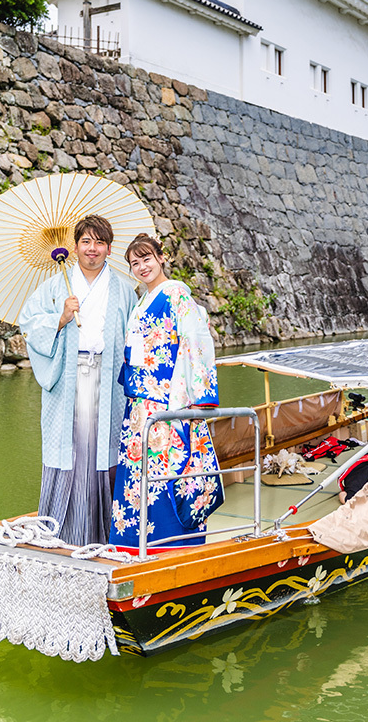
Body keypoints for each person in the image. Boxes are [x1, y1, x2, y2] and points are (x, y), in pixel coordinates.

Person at [19, 214, 136, 547]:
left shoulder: (124, 291)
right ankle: (62, 531)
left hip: (108, 379)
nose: (92, 249)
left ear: (109, 249)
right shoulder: (57, 286)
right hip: (69, 378)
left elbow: (135, 336)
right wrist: (62, 317)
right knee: (70, 450)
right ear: (74, 247)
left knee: (104, 449)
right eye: (86, 241)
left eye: (100, 242)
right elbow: (28, 323)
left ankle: (106, 532)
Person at [109, 233, 224, 550]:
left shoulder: (175, 294)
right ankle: (132, 545)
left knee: (168, 473)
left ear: (161, 257)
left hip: (166, 401)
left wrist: (198, 396)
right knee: (138, 476)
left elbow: (197, 340)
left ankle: (172, 546)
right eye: (135, 263)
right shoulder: (142, 301)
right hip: (139, 405)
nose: (142, 267)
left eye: (147, 258)